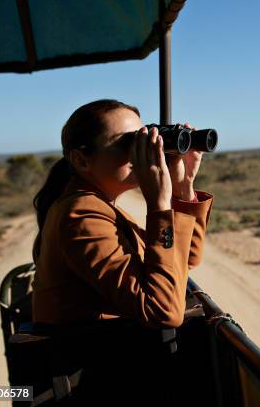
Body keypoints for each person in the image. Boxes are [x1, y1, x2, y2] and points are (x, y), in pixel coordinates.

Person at [31, 99, 213, 330]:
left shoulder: (100, 207)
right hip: (92, 360)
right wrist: (159, 204)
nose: (140, 152)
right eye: (127, 143)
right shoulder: (80, 215)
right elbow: (162, 311)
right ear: (81, 160)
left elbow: (185, 260)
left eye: (141, 139)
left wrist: (183, 187)